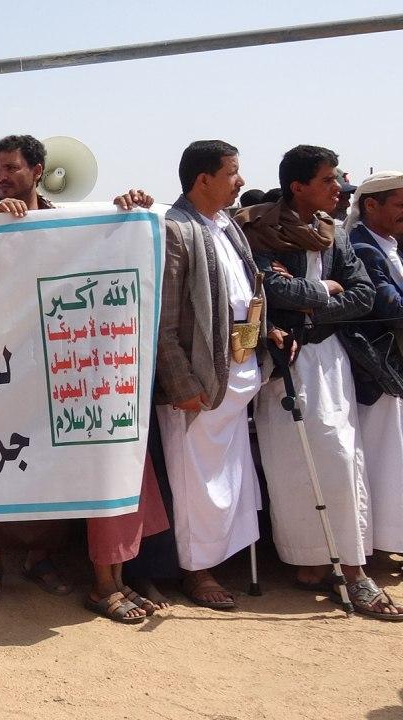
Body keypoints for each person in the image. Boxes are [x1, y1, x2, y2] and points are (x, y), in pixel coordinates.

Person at [0, 134, 158, 612]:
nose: (2, 177)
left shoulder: (69, 223)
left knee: (50, 464)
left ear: (37, 171)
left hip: (57, 366)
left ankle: (39, 559)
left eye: (11, 168)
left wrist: (128, 211)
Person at [237, 145, 399, 620]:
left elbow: (363, 295)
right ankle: (309, 561)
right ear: (298, 186)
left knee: (341, 457)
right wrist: (324, 290)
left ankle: (352, 567)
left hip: (330, 359)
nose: (337, 189)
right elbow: (268, 289)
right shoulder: (258, 229)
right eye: (328, 180)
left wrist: (310, 305)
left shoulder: (335, 233)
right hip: (284, 362)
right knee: (292, 464)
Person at [156, 140, 279, 610]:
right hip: (199, 385)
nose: (240, 181)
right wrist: (182, 383)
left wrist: (267, 332)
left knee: (231, 478)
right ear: (203, 179)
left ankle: (223, 557)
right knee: (196, 483)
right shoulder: (176, 229)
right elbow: (164, 320)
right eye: (232, 172)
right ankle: (196, 570)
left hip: (238, 373)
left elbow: (244, 294)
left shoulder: (228, 226)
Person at [345, 172, 403, 560]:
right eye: (400, 204)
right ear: (371, 205)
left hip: (392, 369)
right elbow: (389, 307)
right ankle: (383, 543)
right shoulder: (363, 248)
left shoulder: (389, 245)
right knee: (384, 458)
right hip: (378, 371)